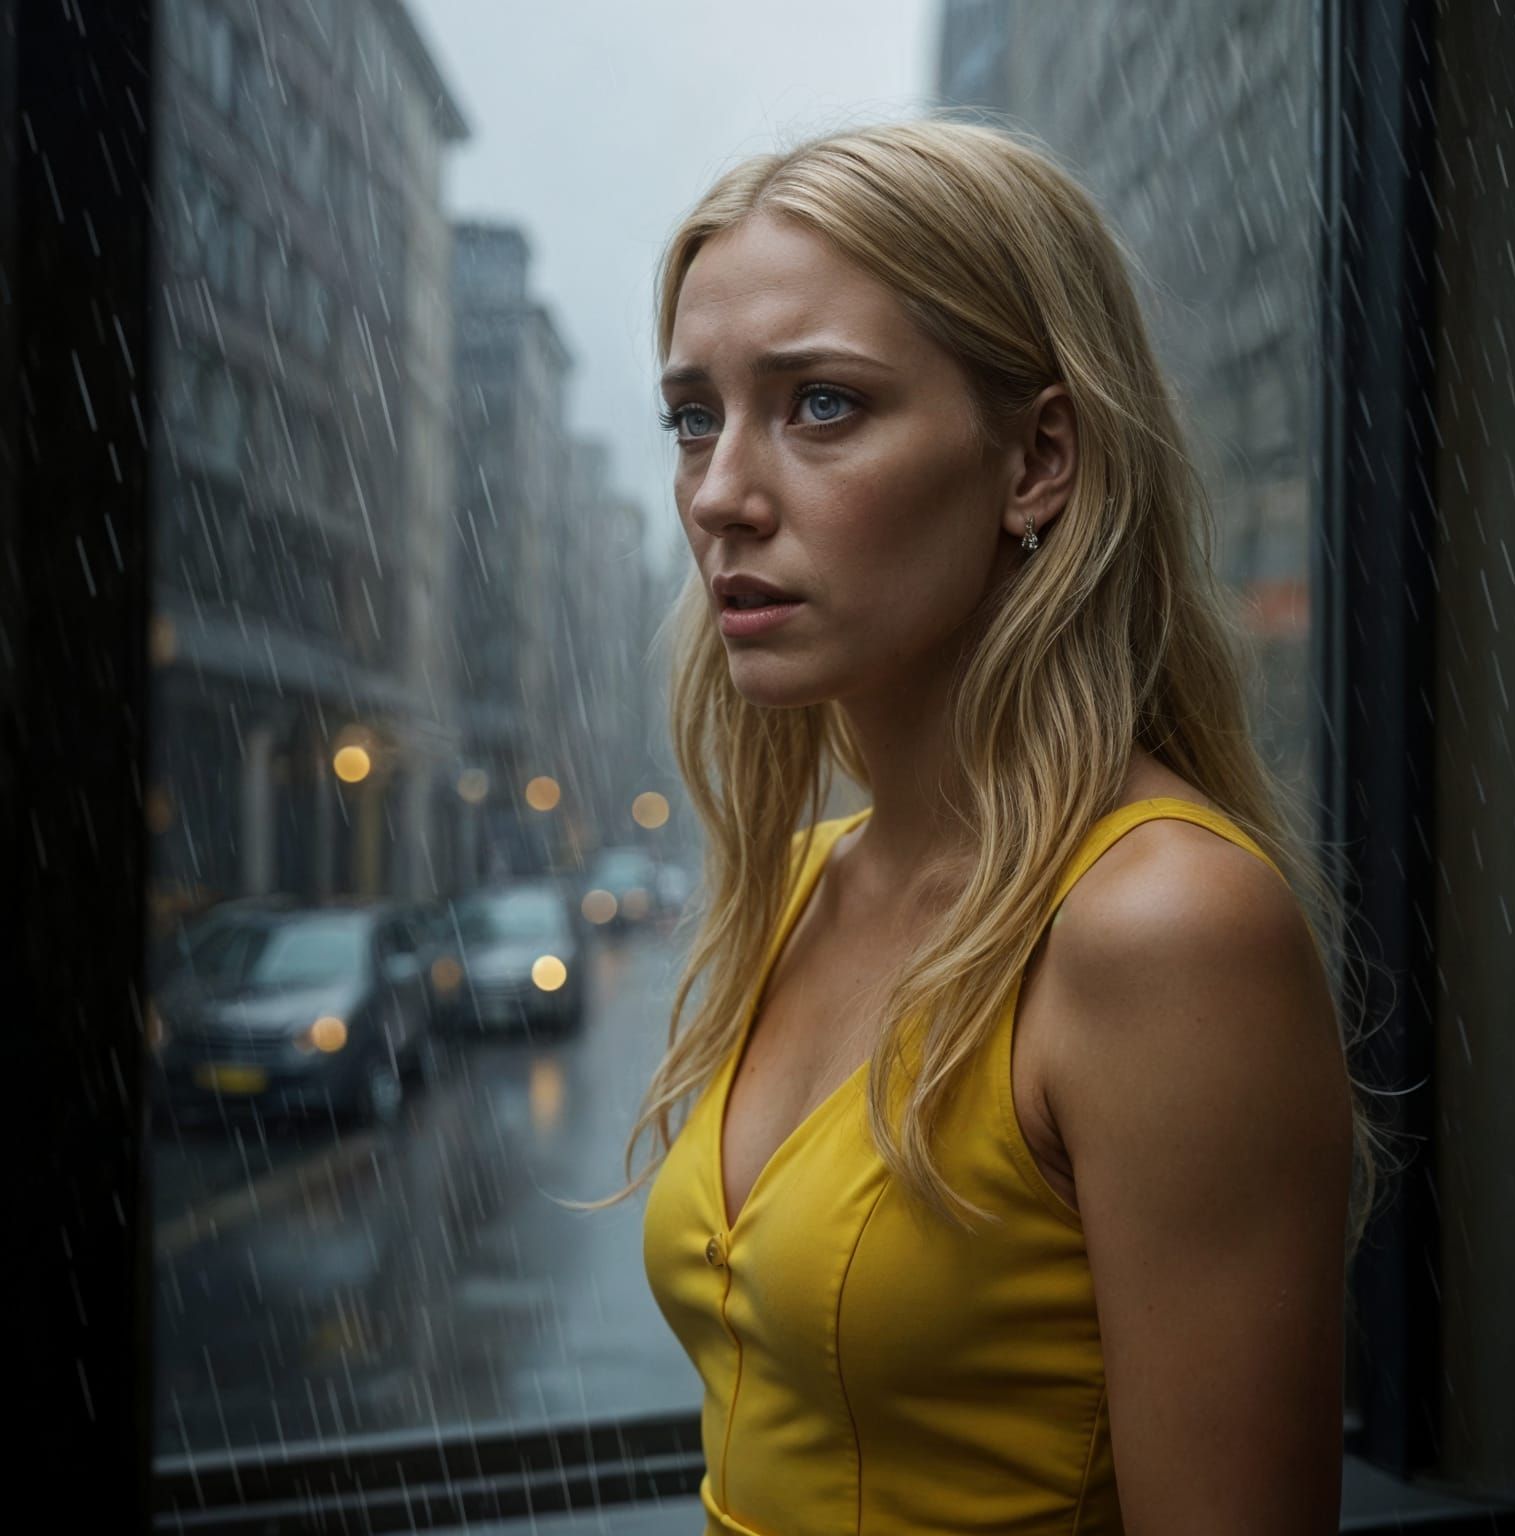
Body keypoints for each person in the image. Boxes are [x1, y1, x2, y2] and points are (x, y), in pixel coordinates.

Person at [559, 116, 1390, 1535]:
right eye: (694, 415)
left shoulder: (1160, 927)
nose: (718, 494)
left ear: (1036, 462)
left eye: (821, 406)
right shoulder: (807, 884)